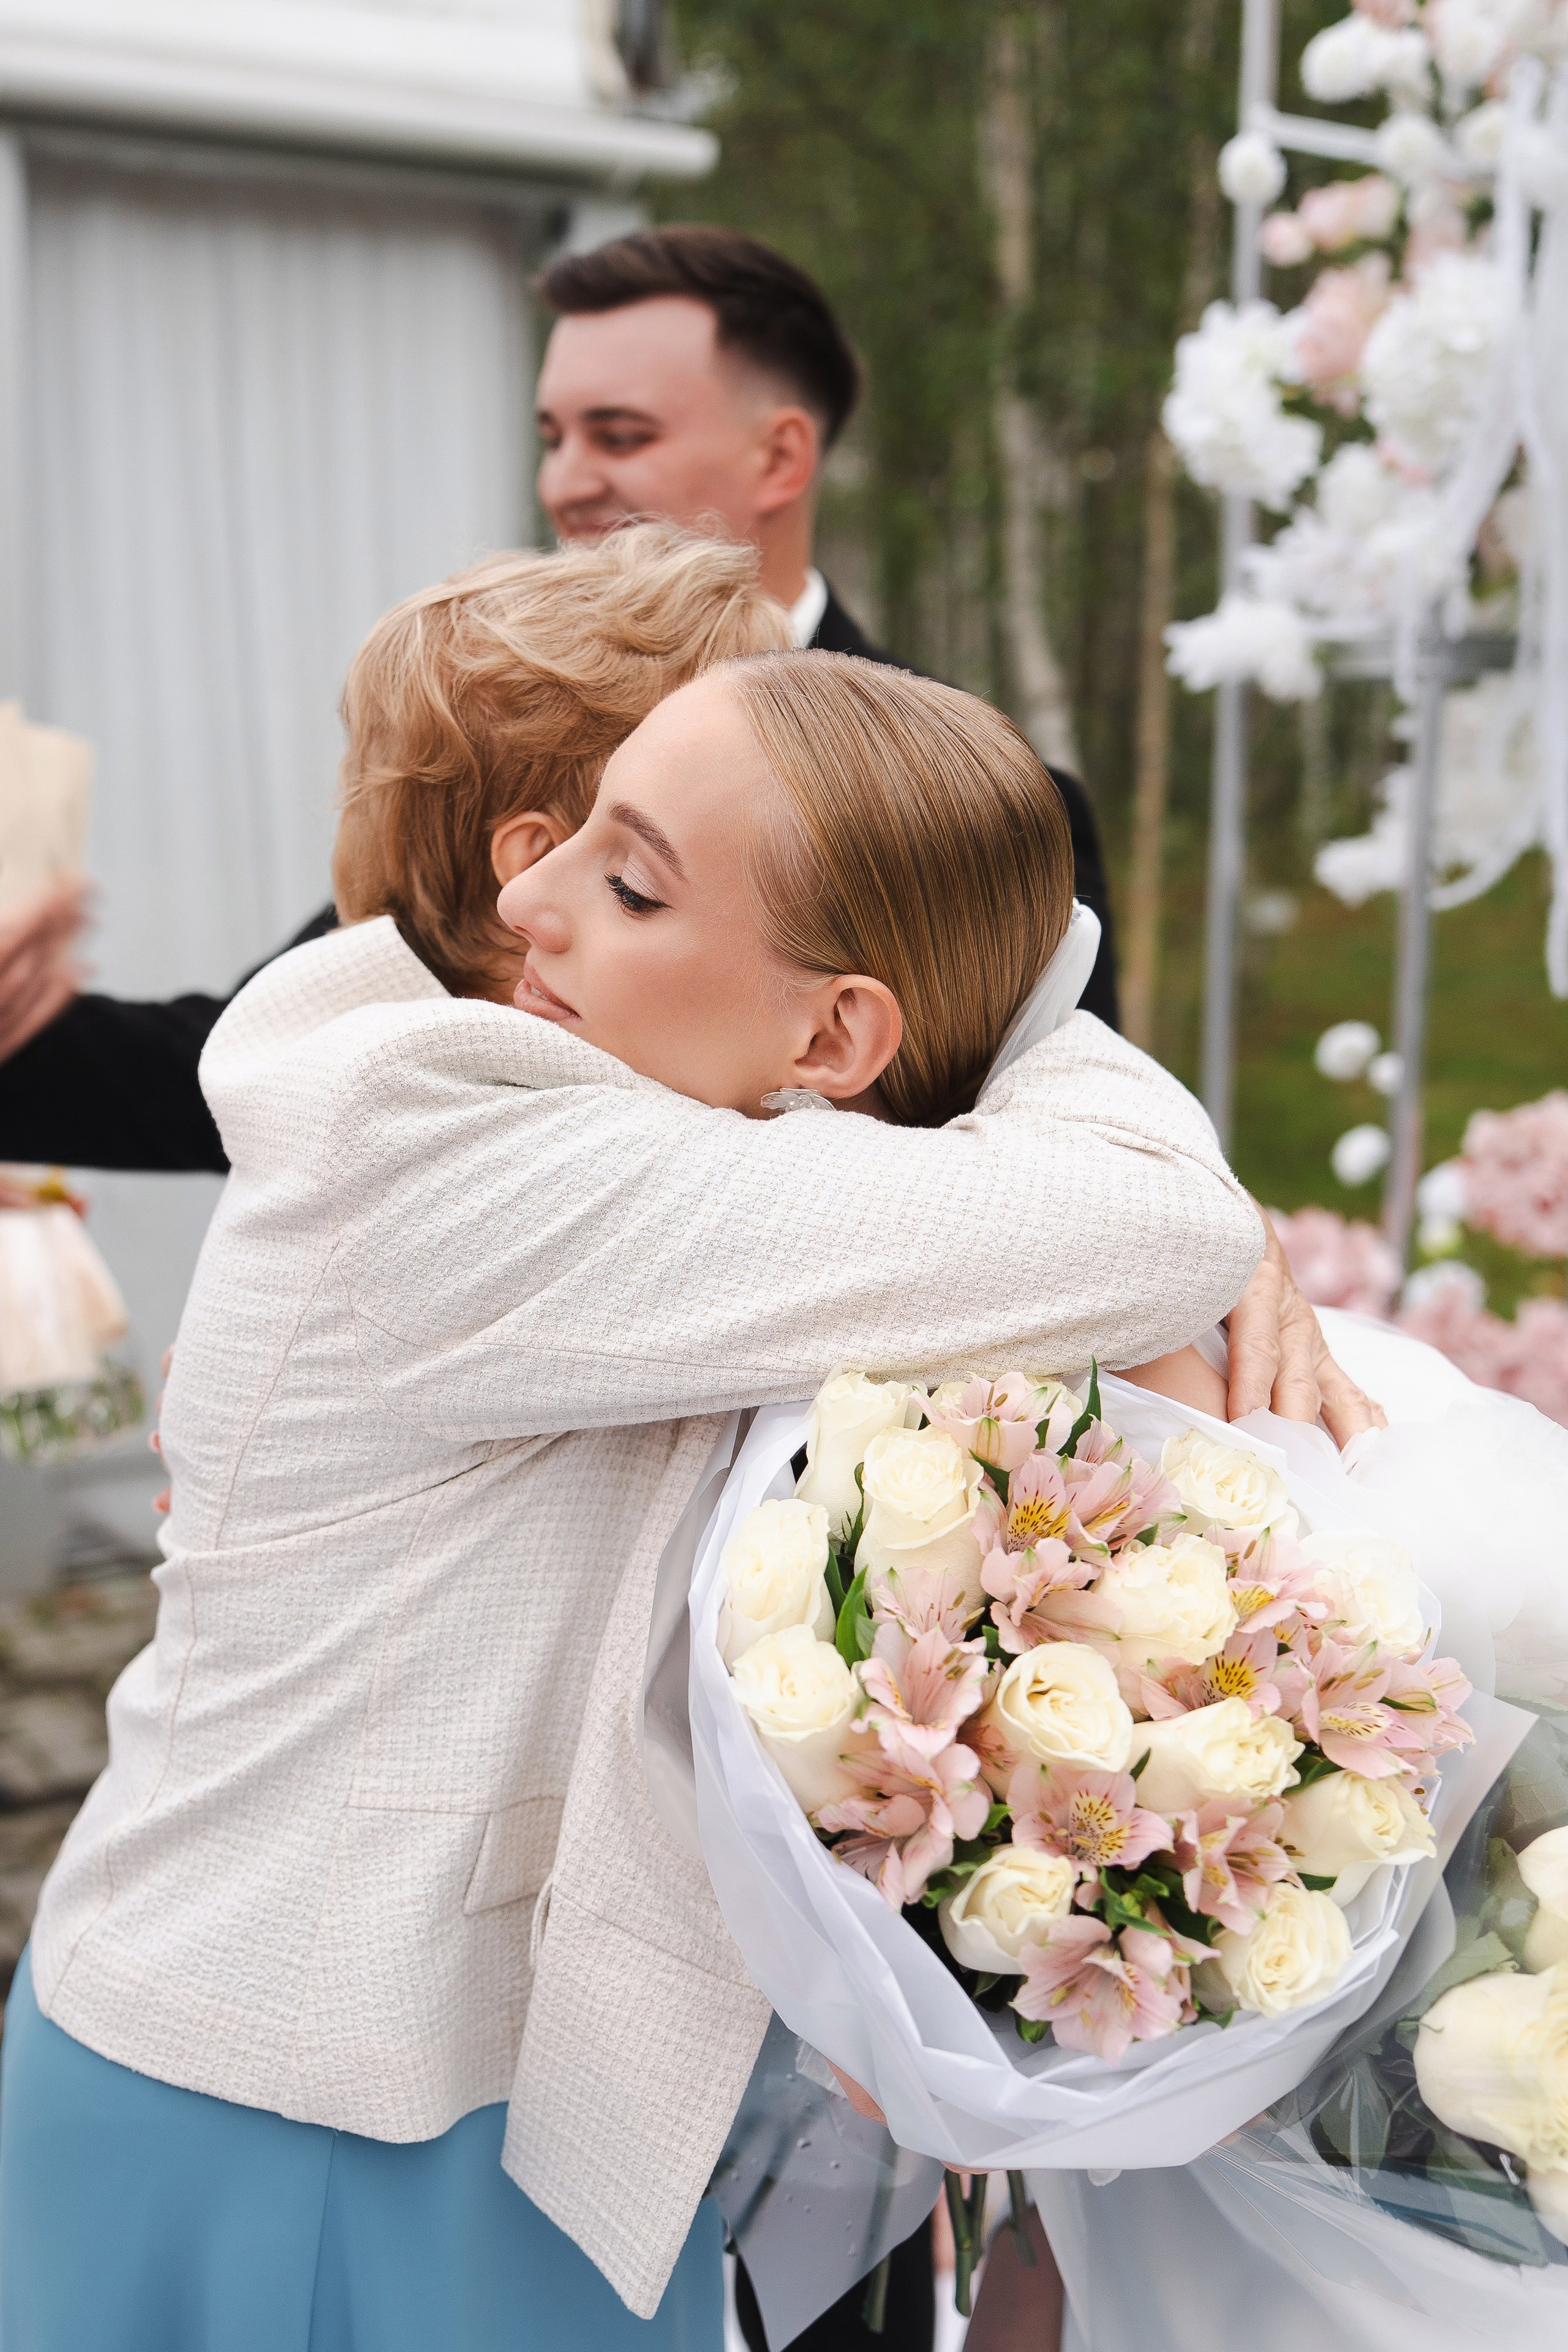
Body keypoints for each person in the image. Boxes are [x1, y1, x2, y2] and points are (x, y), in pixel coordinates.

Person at [0, 533, 1266, 2351]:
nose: (545, 900)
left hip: (468, 2086)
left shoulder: (586, 1124)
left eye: (637, 861)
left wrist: (920, 1009)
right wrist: (977, 1016)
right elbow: (1154, 1220)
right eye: (571, 834)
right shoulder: (457, 1143)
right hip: (309, 2101)